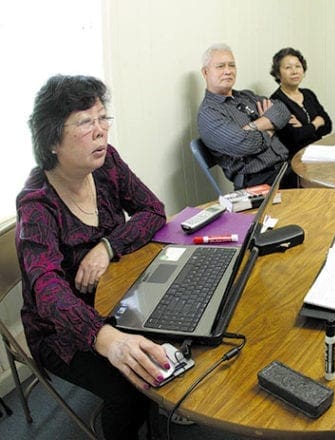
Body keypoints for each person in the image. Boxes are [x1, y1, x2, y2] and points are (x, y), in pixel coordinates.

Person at [16, 75, 168, 440]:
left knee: (182, 331)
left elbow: (153, 210)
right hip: (62, 330)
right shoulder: (37, 204)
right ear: (52, 140)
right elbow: (48, 292)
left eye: (103, 118)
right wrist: (105, 338)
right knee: (129, 390)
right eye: (86, 122)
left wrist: (108, 247)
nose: (101, 132)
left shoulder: (106, 165)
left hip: (118, 295)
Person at [198, 43, 296, 189]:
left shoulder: (246, 96)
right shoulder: (209, 113)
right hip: (257, 181)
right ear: (205, 72)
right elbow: (245, 144)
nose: (228, 71)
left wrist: (256, 125)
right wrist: (271, 127)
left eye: (231, 65)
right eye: (220, 66)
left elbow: (282, 110)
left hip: (284, 168)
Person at [269, 47, 332, 157]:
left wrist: (305, 128)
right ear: (278, 73)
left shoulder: (308, 94)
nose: (294, 71)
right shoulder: (276, 101)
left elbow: (328, 126)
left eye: (298, 66)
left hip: (318, 152)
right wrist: (316, 123)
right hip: (297, 159)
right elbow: (294, 138)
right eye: (288, 67)